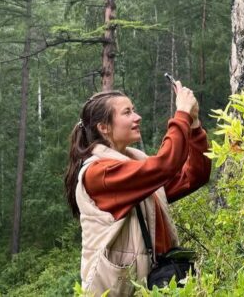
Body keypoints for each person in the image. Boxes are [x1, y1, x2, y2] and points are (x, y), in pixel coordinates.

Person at [63, 83, 211, 296]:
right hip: (120, 290)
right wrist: (182, 114)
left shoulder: (135, 166)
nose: (137, 117)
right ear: (104, 127)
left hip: (154, 284)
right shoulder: (100, 174)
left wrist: (194, 123)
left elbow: (195, 175)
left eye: (134, 110)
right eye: (127, 112)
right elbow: (165, 165)